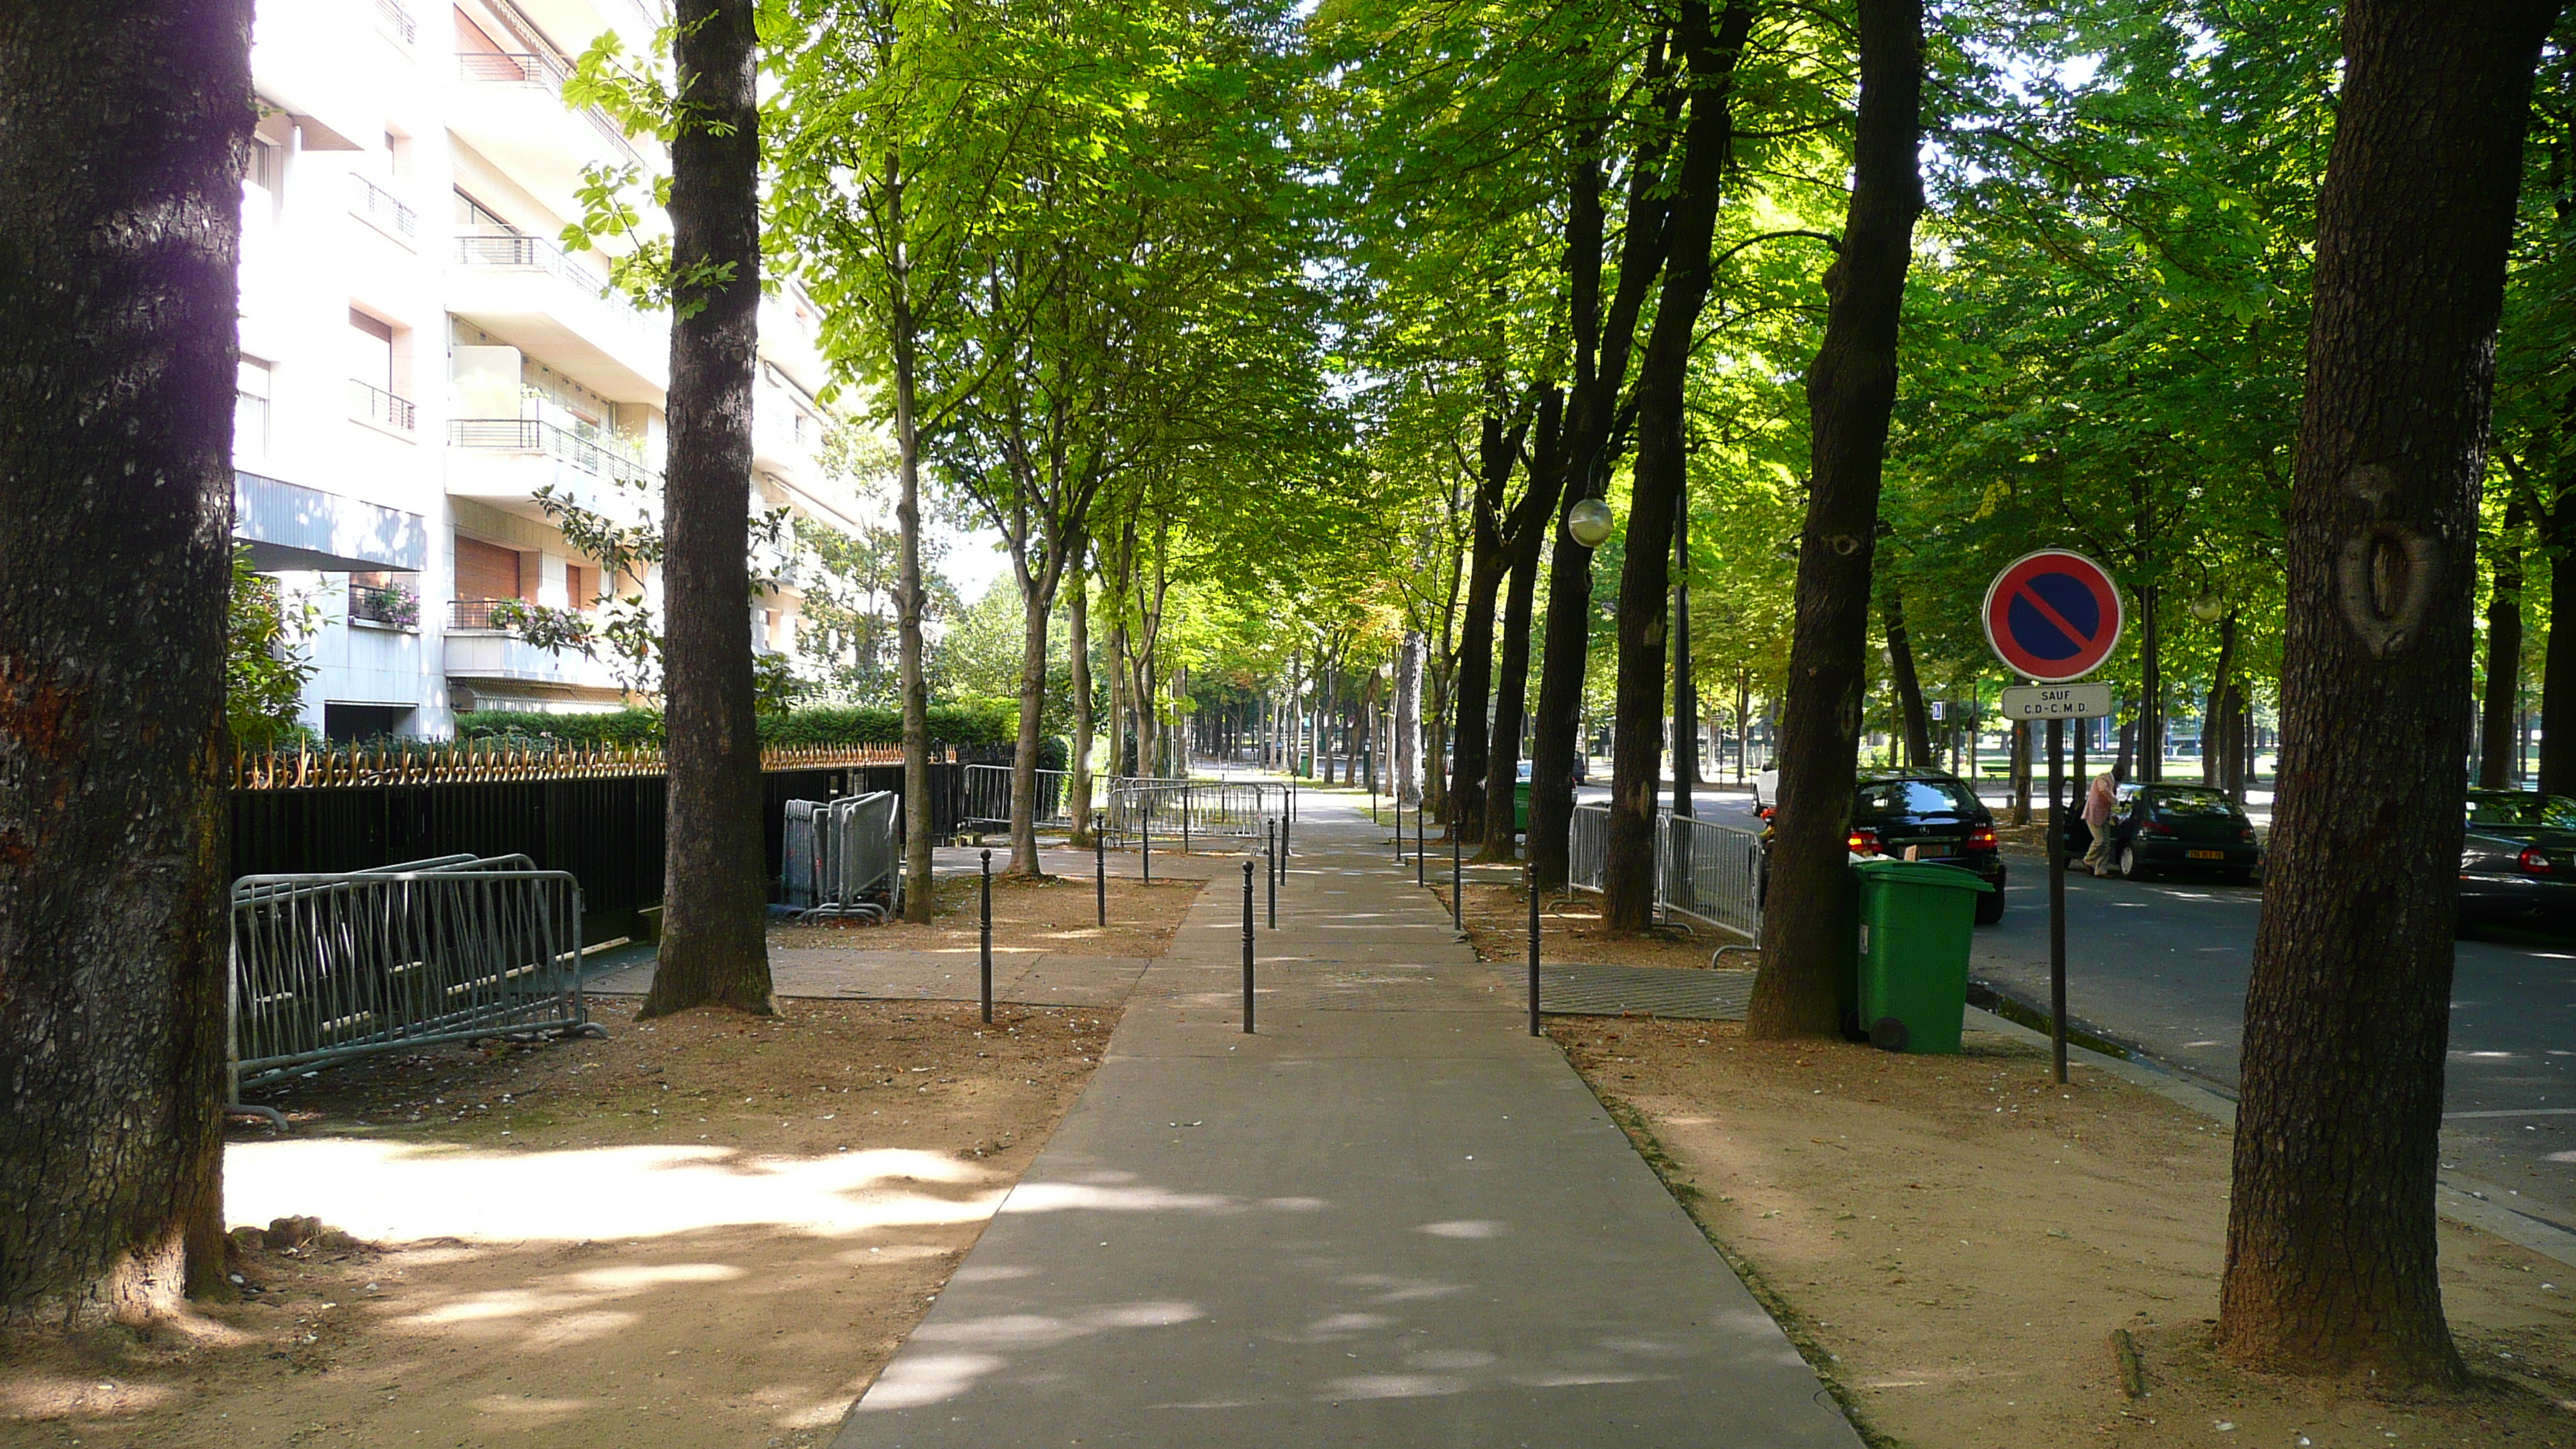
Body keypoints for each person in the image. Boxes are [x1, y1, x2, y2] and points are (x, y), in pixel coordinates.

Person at [2081, 768, 2120, 875]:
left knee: (2106, 844)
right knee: (2100, 840)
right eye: (2122, 774)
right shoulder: (2103, 778)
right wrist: (2115, 800)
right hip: (2093, 815)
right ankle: (2088, 860)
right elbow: (2103, 790)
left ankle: (2101, 870)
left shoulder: (2113, 782)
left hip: (2105, 816)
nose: (2122, 777)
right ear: (2116, 772)